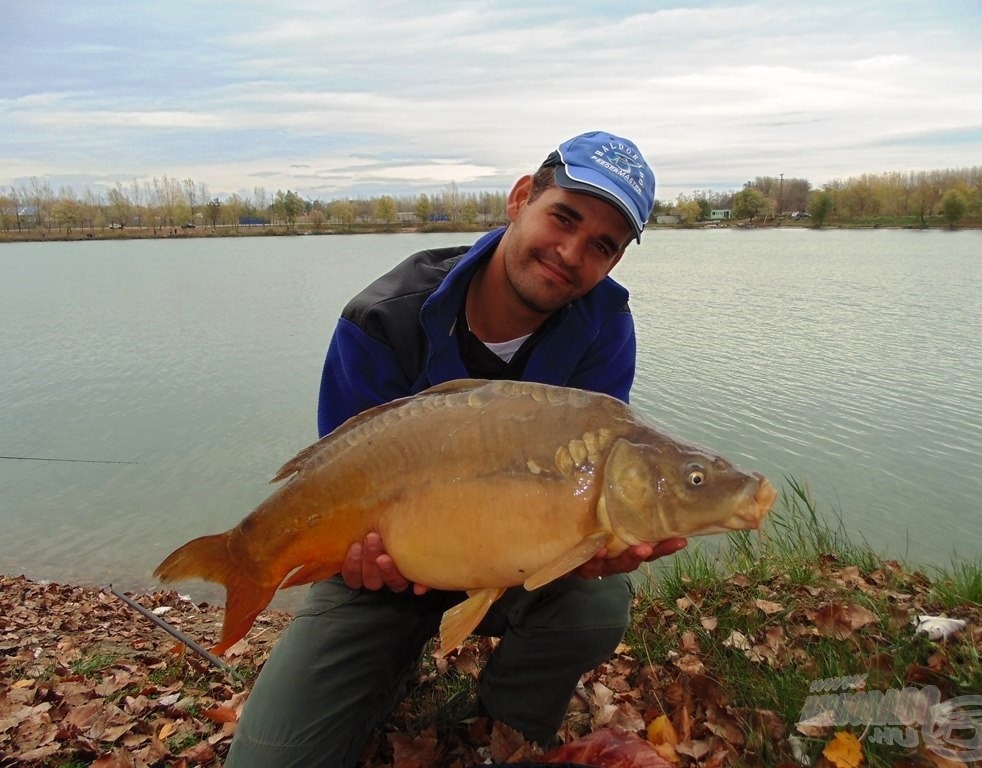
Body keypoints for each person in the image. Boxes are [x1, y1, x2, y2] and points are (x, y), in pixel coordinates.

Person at [225, 130, 688, 768]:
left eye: (602, 246)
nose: (571, 252)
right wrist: (350, 561)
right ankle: (384, 659)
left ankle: (504, 729)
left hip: (512, 563)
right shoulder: (384, 317)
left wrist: (597, 543)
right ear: (521, 198)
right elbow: (334, 476)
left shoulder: (604, 329)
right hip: (379, 572)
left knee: (597, 601)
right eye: (564, 217)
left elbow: (589, 492)